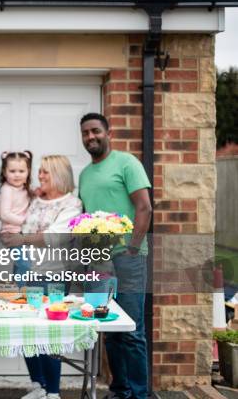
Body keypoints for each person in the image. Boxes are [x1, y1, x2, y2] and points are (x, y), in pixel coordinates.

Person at [78, 113, 152, 399]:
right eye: (85, 133)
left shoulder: (127, 163)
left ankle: (140, 394)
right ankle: (120, 390)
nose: (90, 137)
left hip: (128, 259)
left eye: (95, 131)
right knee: (108, 328)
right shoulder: (85, 174)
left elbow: (144, 207)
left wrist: (132, 248)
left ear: (108, 132)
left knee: (132, 331)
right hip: (98, 262)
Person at [1, 155, 82, 399]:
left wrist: (22, 239)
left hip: (52, 276)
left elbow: (54, 237)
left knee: (49, 333)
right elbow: (18, 220)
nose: (40, 176)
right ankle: (39, 385)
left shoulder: (72, 204)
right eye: (41, 171)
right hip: (25, 272)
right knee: (27, 331)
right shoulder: (36, 200)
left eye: (46, 172)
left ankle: (53, 392)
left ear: (59, 175)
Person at [0, 151, 33, 235]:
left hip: (23, 231)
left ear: (28, 172)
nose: (17, 175)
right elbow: (5, 215)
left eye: (21, 171)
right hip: (11, 232)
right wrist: (26, 221)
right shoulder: (7, 190)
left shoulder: (24, 188)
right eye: (12, 171)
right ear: (4, 172)